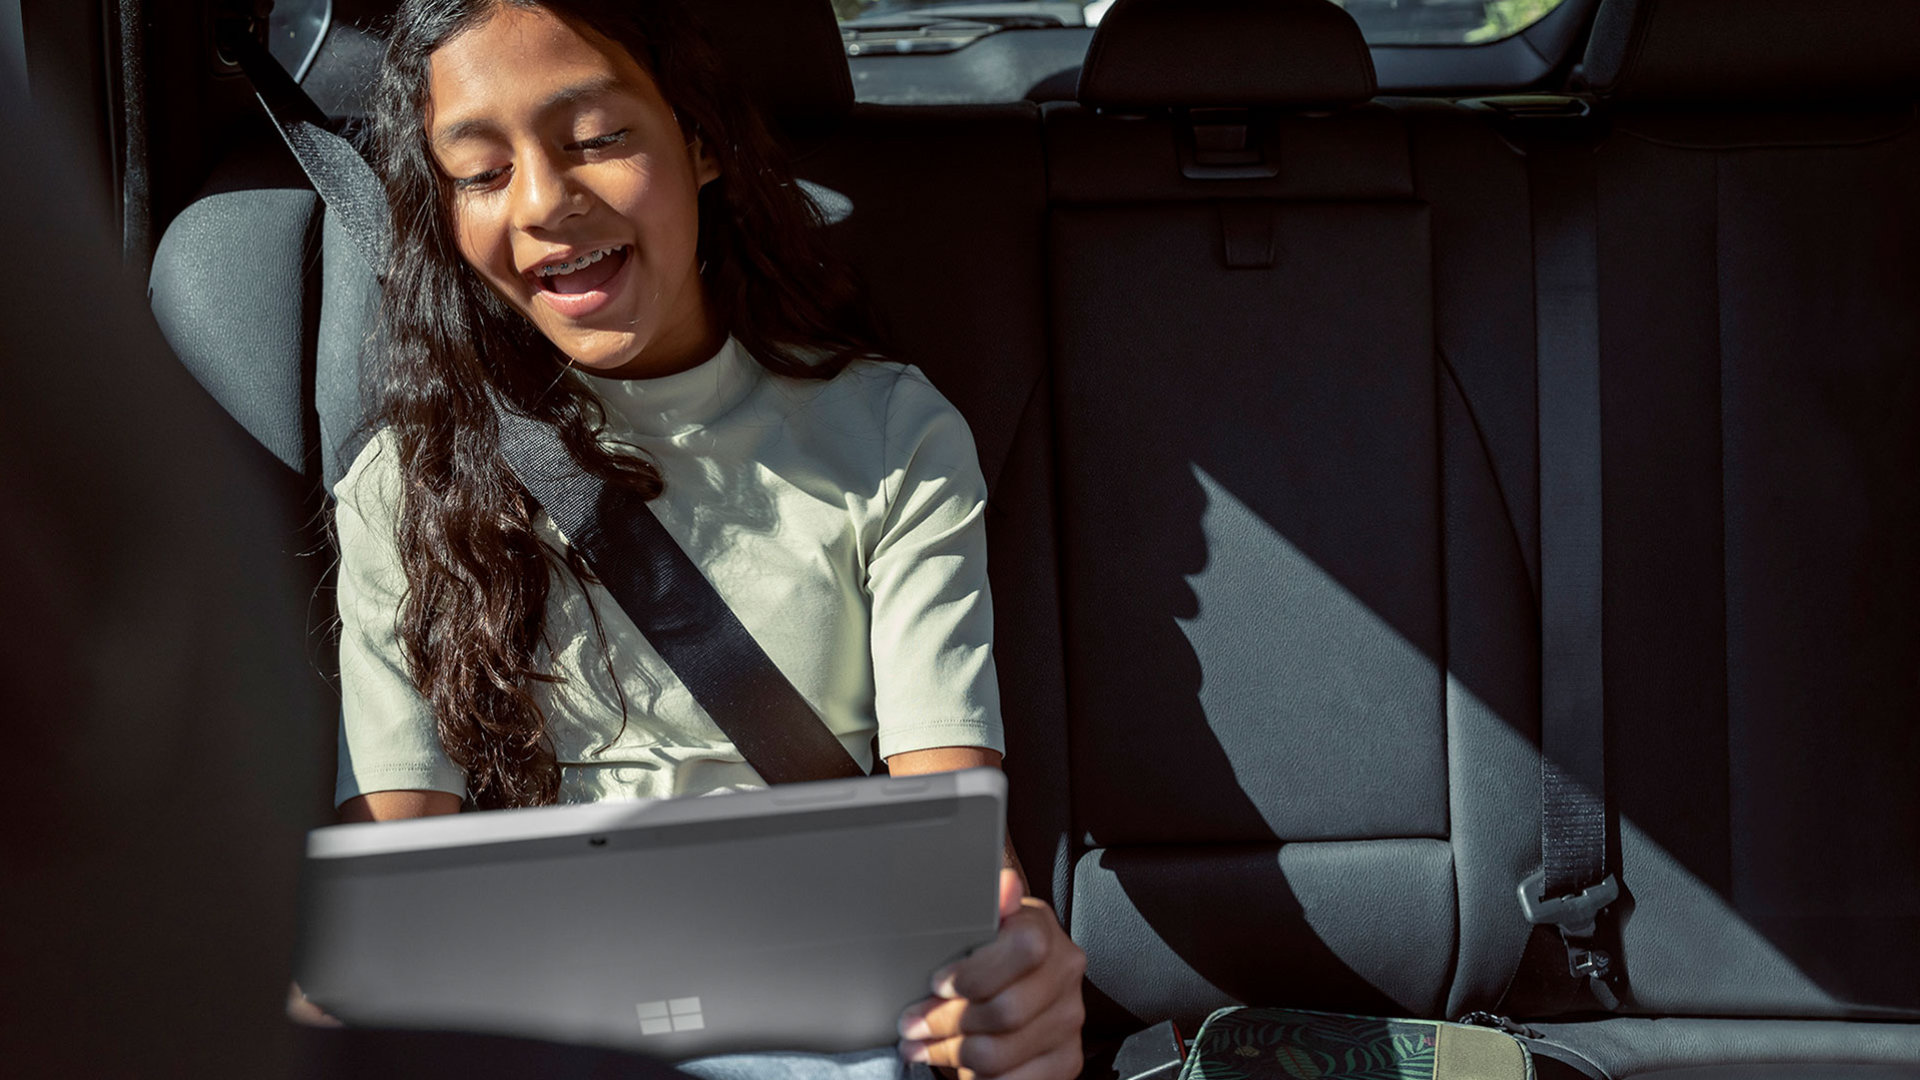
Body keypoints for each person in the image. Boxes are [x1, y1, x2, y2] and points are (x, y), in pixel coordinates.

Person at [312, 2, 1087, 1079]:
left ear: (703, 142)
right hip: (533, 1044)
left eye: (596, 140)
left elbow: (952, 850)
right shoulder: (408, 486)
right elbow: (393, 869)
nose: (544, 202)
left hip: (834, 1040)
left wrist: (1011, 989)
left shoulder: (892, 440)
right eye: (482, 174)